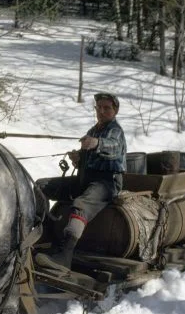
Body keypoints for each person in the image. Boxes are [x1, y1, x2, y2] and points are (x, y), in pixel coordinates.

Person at [35, 92, 127, 272]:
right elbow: (88, 155)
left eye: (106, 108)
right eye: (98, 107)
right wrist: (78, 158)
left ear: (115, 111)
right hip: (85, 179)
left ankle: (64, 256)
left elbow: (113, 147)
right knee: (41, 186)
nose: (101, 111)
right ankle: (43, 236)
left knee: (81, 204)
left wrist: (96, 143)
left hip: (107, 183)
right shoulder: (93, 131)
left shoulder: (115, 131)